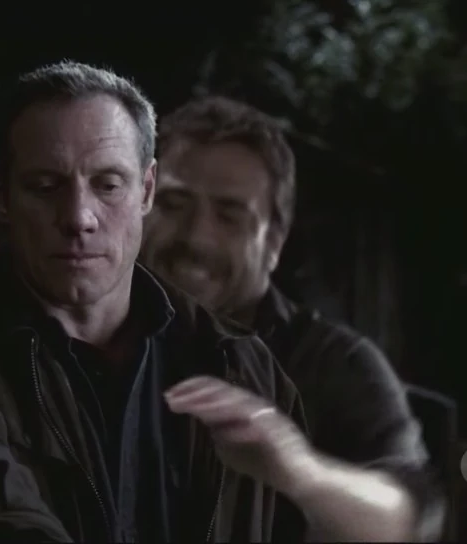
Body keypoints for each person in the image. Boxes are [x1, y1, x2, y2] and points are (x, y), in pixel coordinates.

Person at [0, 61, 424, 542]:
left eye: (108, 184)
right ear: (1, 196)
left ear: (142, 190)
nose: (79, 218)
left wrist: (299, 472)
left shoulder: (249, 365)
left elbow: (402, 514)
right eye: (46, 187)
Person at [141, 96, 446, 539]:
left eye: (230, 216)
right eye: (173, 203)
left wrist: (299, 470)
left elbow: (404, 518)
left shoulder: (334, 361)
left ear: (274, 242)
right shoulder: (76, 336)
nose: (196, 237)